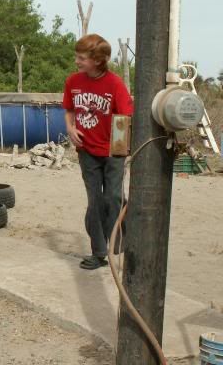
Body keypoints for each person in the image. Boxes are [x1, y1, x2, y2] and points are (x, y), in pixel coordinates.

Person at [62, 34, 133, 270]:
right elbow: (69, 110)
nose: (77, 61)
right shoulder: (73, 82)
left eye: (81, 58)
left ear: (98, 60)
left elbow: (125, 116)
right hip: (86, 150)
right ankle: (100, 252)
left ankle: (122, 241)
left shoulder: (114, 84)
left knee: (112, 197)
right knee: (95, 202)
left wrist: (122, 147)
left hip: (113, 151)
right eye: (77, 56)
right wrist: (70, 129)